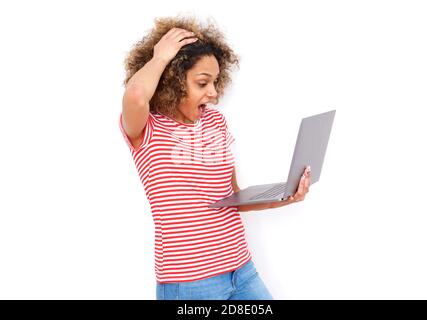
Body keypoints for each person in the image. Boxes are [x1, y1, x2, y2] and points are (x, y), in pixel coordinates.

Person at [119, 16, 311, 300]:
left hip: (242, 271)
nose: (214, 93)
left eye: (216, 82)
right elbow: (136, 94)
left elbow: (233, 196)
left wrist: (285, 195)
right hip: (190, 283)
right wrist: (161, 56)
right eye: (202, 82)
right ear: (172, 81)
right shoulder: (147, 128)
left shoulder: (215, 122)